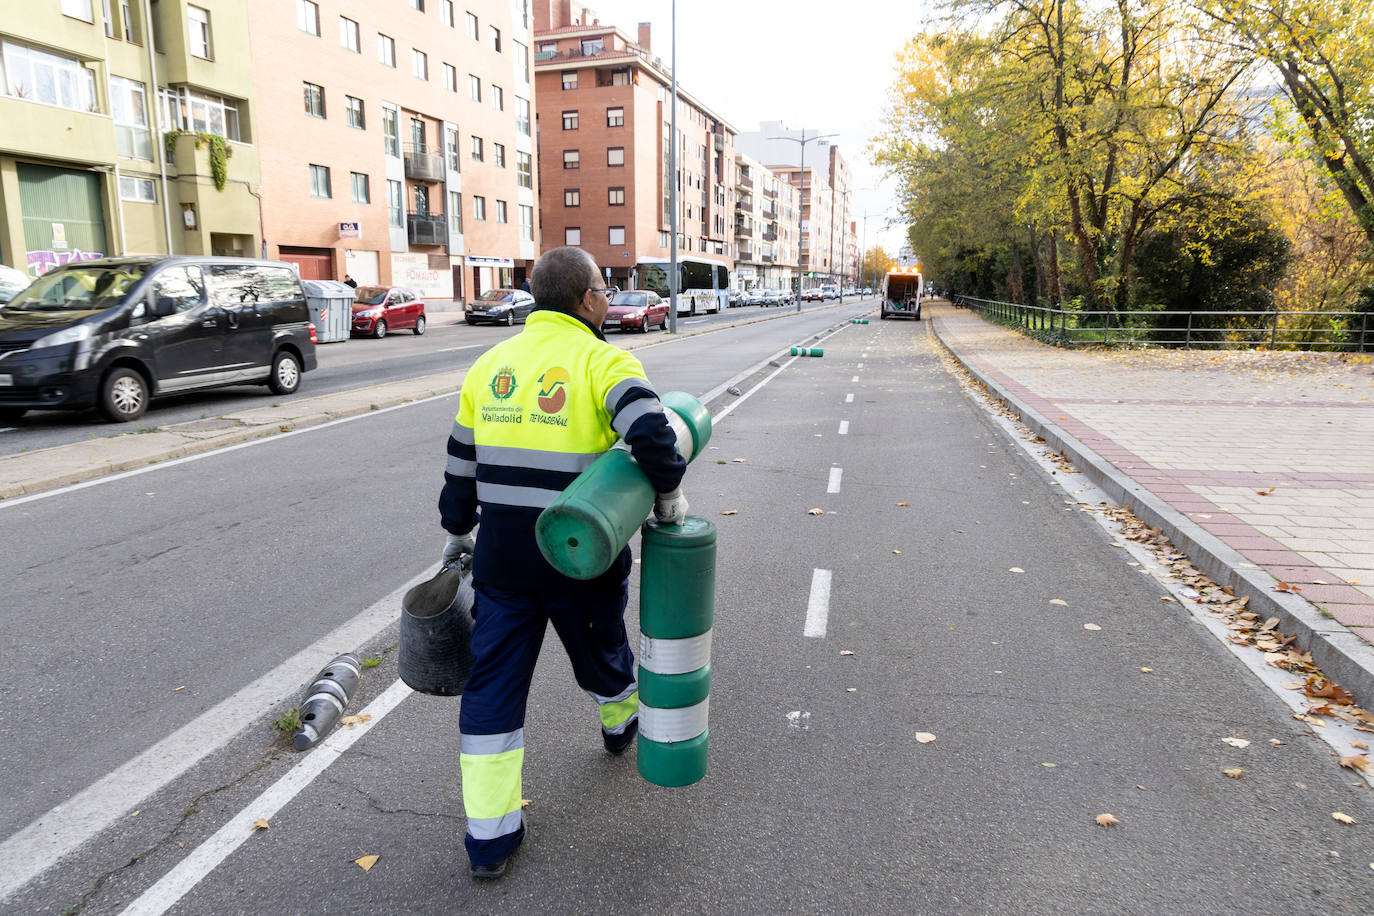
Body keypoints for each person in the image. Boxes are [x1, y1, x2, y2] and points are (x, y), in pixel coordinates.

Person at [438, 246, 688, 879]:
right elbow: (654, 435)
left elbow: (460, 467)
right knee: (601, 652)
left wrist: (457, 531)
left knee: (492, 689)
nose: (607, 300)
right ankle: (618, 721)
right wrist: (668, 492)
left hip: (503, 562)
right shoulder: (604, 360)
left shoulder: (489, 365)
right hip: (582, 556)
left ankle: (489, 840)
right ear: (587, 301)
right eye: (604, 290)